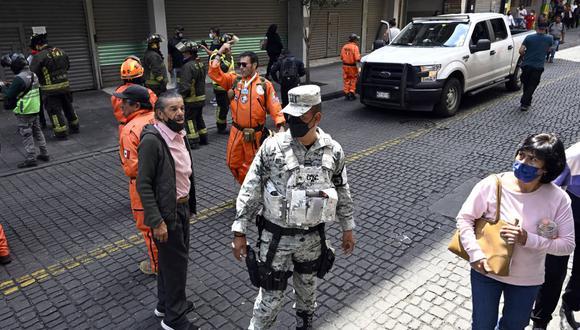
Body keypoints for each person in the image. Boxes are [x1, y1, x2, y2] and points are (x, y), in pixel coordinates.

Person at [231, 85, 356, 330]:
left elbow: (342, 190)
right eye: (290, 116)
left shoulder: (333, 151)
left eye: (300, 117)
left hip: (312, 239)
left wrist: (347, 227)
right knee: (269, 301)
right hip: (276, 239)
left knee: (308, 296)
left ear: (317, 117)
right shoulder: (272, 148)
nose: (292, 121)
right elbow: (251, 188)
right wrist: (239, 230)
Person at [456, 133, 575, 330]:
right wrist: (475, 254)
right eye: (521, 154)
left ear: (547, 169)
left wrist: (528, 239)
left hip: (527, 279)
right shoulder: (492, 184)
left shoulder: (558, 199)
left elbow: (567, 245)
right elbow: (465, 219)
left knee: (514, 325)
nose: (523, 162)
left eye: (533, 159)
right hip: (486, 271)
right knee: (482, 325)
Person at [137, 90, 198, 330]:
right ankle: (174, 318)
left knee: (168, 263)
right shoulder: (152, 141)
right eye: (173, 109)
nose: (180, 112)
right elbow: (143, 184)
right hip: (167, 213)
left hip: (181, 208)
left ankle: (166, 304)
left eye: (181, 107)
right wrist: (157, 221)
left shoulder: (178, 134)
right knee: (176, 266)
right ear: (160, 114)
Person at [208, 45, 286, 184]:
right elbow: (214, 72)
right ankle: (246, 187)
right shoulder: (234, 81)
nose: (241, 67)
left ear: (254, 65)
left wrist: (280, 125)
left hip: (255, 135)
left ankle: (253, 191)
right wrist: (219, 52)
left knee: (253, 166)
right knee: (232, 163)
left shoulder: (264, 84)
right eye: (239, 64)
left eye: (244, 64)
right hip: (236, 132)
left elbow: (275, 105)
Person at [531, 141, 580, 330]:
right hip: (565, 220)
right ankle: (540, 321)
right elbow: (547, 192)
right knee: (553, 272)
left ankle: (570, 305)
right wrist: (546, 232)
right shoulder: (574, 156)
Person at [114, 85, 158, 275]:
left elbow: (133, 167)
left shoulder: (130, 129)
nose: (120, 105)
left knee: (149, 228)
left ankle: (157, 266)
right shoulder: (157, 119)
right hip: (163, 182)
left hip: (142, 186)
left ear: (136, 105)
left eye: (124, 102)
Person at [0, 53, 49, 168]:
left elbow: (9, 95)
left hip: (24, 111)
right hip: (35, 108)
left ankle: (31, 158)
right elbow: (26, 87)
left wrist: (2, 87)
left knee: (26, 134)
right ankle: (44, 153)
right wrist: (11, 85)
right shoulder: (33, 75)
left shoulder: (19, 78)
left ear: (16, 66)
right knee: (37, 131)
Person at [29, 32, 79, 139]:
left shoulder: (39, 56)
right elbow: (67, 66)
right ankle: (75, 127)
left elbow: (33, 73)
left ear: (37, 45)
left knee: (54, 112)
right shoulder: (61, 51)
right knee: (68, 107)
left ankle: (61, 133)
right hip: (65, 87)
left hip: (50, 91)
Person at [111, 56, 157, 136]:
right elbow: (155, 111)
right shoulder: (147, 92)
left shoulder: (117, 93)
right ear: (140, 75)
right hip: (142, 129)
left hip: (123, 129)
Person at [203, 33, 237, 134]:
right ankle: (221, 127)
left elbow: (231, 70)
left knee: (229, 107)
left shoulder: (228, 54)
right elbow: (222, 69)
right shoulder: (216, 55)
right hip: (220, 87)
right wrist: (226, 55)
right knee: (222, 107)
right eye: (229, 45)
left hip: (230, 86)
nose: (230, 47)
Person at [177, 40, 207, 149]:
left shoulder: (187, 67)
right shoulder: (200, 63)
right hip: (201, 97)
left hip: (191, 99)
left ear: (189, 53)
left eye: (184, 52)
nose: (183, 54)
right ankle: (204, 137)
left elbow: (185, 86)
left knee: (189, 119)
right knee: (199, 118)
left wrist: (180, 97)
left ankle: (193, 141)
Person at [518, 22, 553, 112]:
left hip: (526, 64)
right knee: (533, 84)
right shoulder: (549, 38)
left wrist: (524, 56)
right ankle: (524, 103)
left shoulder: (529, 37)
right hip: (538, 66)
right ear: (545, 28)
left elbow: (521, 50)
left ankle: (527, 101)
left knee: (526, 83)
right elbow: (549, 49)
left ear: (537, 28)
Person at [340, 33, 361, 101]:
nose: (357, 41)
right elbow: (357, 58)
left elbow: (341, 57)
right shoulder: (355, 47)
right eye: (356, 40)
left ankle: (346, 93)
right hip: (352, 67)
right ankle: (352, 93)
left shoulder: (344, 46)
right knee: (353, 79)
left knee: (346, 79)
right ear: (354, 40)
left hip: (345, 66)